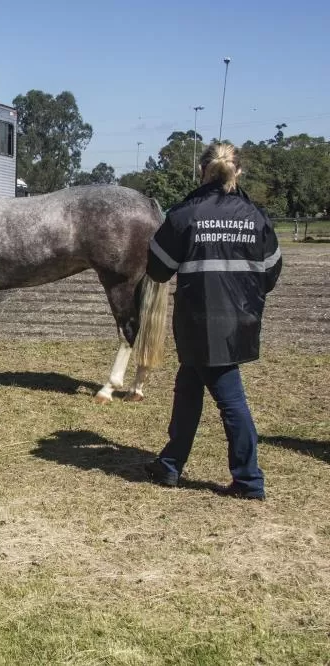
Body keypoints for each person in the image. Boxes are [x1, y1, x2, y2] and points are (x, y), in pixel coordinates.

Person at [143, 142, 282, 500]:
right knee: (188, 385)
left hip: (198, 321)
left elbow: (157, 270)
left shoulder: (184, 214)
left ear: (201, 170)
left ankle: (249, 480)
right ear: (238, 172)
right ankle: (170, 464)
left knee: (230, 398)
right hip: (241, 319)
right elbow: (271, 272)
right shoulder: (256, 216)